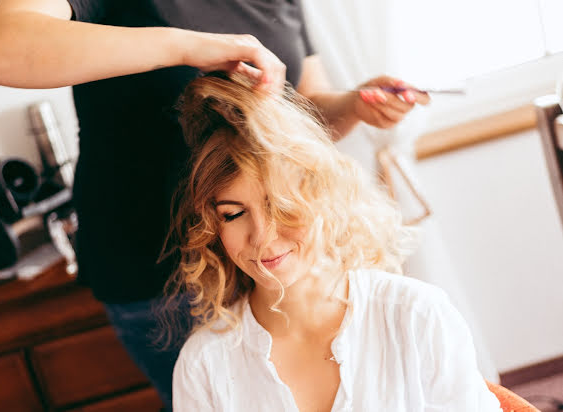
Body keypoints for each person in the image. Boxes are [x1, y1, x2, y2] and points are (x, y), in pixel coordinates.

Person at [0, 0, 429, 408]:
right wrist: (190, 47)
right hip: (161, 276)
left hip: (272, 258)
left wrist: (354, 105)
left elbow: (298, 110)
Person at [169, 72, 502, 411]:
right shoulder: (203, 366)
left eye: (279, 205)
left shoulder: (416, 315)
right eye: (233, 214)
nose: (263, 236)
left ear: (321, 193)